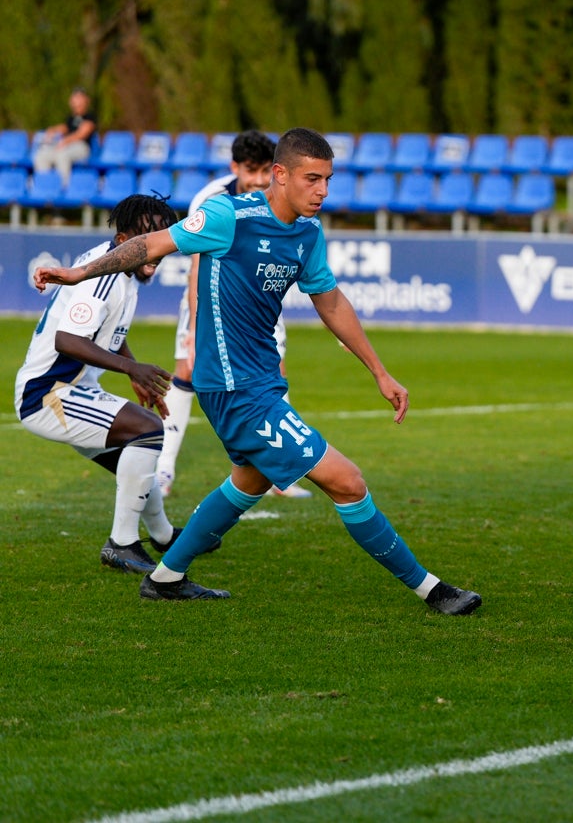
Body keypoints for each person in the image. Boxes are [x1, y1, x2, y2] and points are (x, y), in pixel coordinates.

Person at [33, 127, 481, 614]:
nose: (323, 191)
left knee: (248, 480)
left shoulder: (307, 234)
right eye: (312, 179)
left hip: (262, 379)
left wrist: (379, 371)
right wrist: (80, 272)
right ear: (280, 174)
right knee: (347, 481)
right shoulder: (229, 216)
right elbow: (152, 244)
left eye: (328, 180)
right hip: (232, 386)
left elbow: (329, 301)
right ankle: (433, 591)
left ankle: (166, 578)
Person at [15, 194, 183, 574]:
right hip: (47, 394)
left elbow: (107, 331)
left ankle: (163, 534)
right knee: (147, 430)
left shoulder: (122, 270)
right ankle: (122, 544)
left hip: (73, 387)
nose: (155, 250)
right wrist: (131, 370)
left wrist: (133, 368)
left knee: (138, 445)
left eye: (161, 240)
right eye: (147, 240)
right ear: (124, 240)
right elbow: (68, 340)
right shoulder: (105, 278)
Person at [156, 130, 311, 499]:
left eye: (264, 170)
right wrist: (195, 328)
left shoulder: (278, 195)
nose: (259, 179)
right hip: (208, 296)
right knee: (186, 370)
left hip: (261, 300)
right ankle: (163, 470)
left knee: (277, 370)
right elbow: (195, 265)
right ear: (234, 167)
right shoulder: (210, 199)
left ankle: (279, 475)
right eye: (251, 170)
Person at [32, 87, 98, 185]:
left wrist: (66, 141)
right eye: (75, 98)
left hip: (82, 147)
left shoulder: (90, 117)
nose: (77, 101)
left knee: (62, 155)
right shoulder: (71, 118)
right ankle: (44, 185)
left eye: (80, 98)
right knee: (42, 155)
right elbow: (65, 128)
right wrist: (52, 130)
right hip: (66, 146)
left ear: (86, 100)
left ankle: (63, 186)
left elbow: (82, 133)